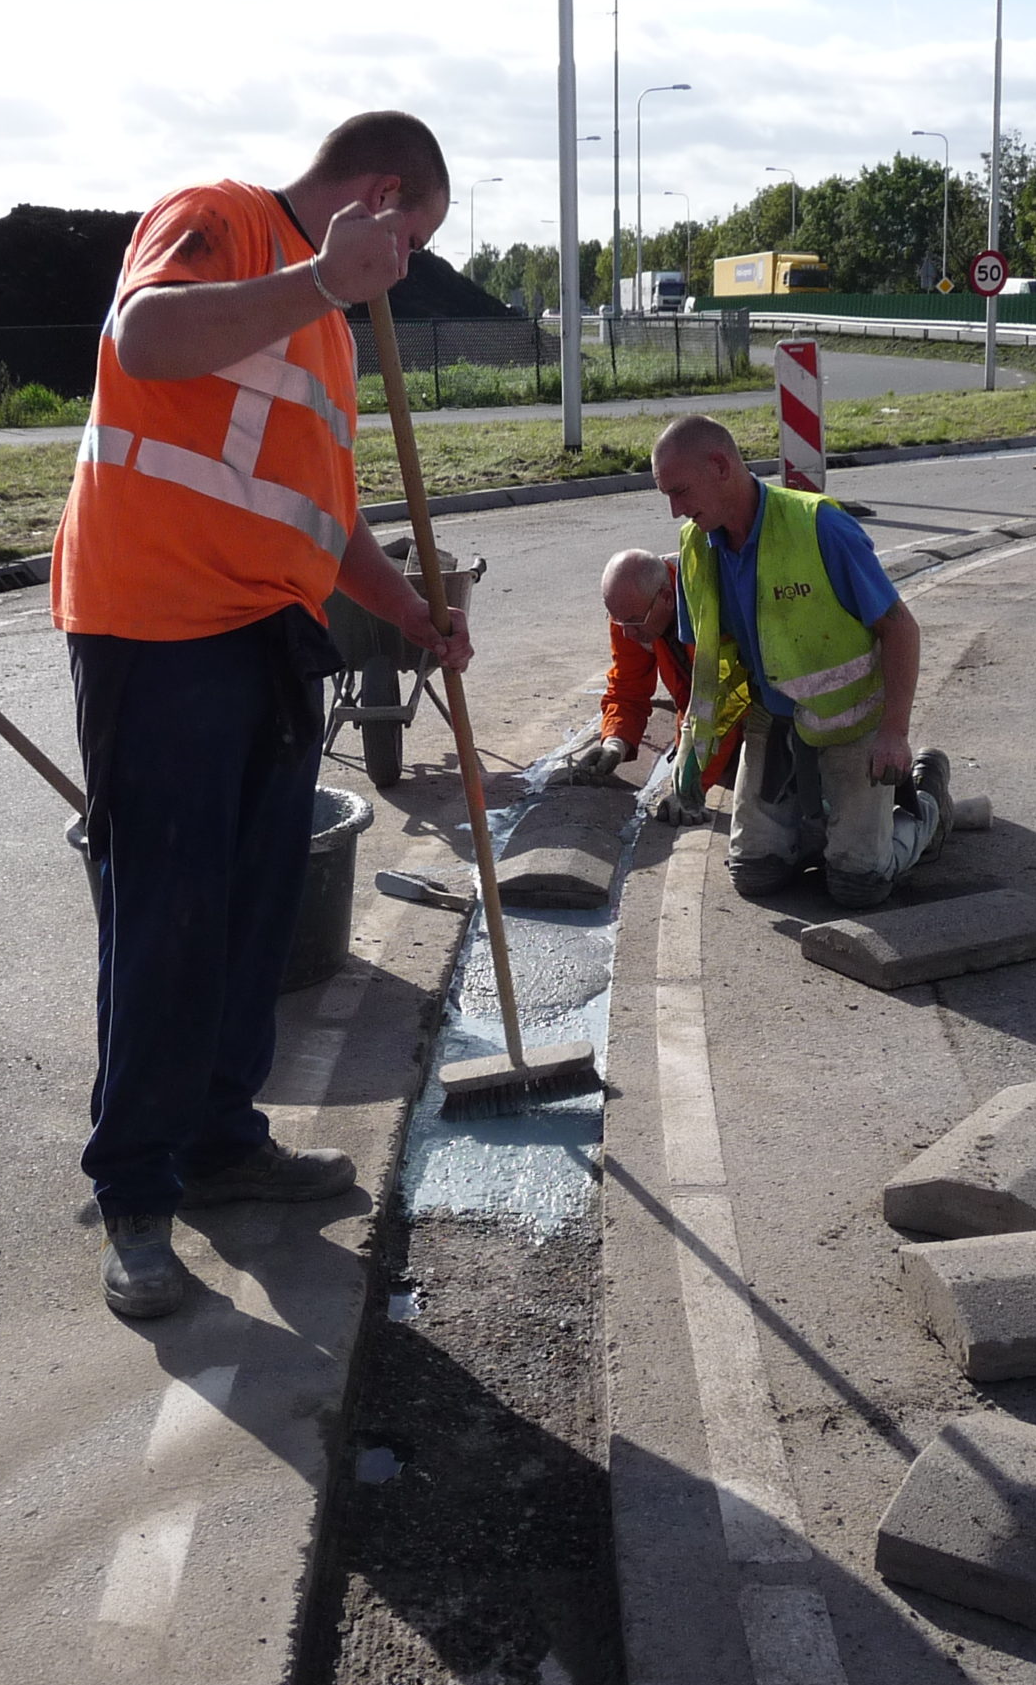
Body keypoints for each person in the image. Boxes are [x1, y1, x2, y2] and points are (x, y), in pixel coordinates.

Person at [53, 111, 471, 1319]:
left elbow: (322, 523)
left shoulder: (331, 331)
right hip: (156, 630)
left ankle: (223, 1141)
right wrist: (322, 280)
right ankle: (137, 1194)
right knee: (167, 918)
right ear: (379, 194)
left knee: (251, 916)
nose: (406, 267)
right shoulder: (223, 220)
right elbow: (143, 340)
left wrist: (410, 611)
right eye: (413, 238)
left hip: (269, 636)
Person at [648, 415, 952, 905]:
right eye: (667, 494)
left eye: (680, 491)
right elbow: (708, 672)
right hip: (774, 721)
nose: (674, 510)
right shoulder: (695, 547)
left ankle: (928, 803)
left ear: (721, 466)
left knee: (859, 884)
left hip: (852, 720)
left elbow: (900, 629)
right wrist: (691, 756)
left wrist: (894, 733)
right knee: (754, 874)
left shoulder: (818, 526)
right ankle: (827, 831)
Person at [563, 546, 741, 792]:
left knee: (761, 789)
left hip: (756, 713)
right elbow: (628, 688)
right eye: (618, 621)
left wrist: (691, 787)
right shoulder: (631, 613)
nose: (627, 633)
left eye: (633, 622)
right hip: (706, 719)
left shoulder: (711, 603)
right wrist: (615, 744)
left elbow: (722, 704)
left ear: (667, 598)